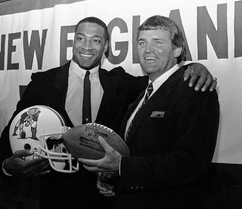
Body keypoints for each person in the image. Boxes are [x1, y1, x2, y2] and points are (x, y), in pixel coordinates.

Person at [0, 16, 217, 209]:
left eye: (96, 40)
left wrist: (192, 67)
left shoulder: (120, 82)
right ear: (72, 42)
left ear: (106, 47)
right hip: (56, 196)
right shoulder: (42, 82)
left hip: (107, 199)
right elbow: (13, 130)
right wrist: (7, 166)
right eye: (81, 38)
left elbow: (166, 79)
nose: (87, 46)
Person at [79, 15, 220, 209]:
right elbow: (135, 151)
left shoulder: (195, 90)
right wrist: (111, 175)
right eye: (142, 42)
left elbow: (191, 164)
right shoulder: (142, 95)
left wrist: (121, 167)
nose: (148, 50)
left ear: (177, 49)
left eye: (158, 42)